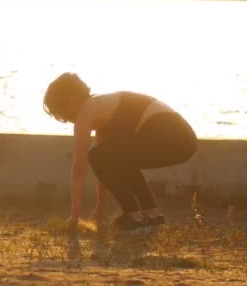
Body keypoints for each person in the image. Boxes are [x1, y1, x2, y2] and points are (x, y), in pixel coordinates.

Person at [42, 73, 197, 231]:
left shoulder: (85, 113)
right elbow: (104, 169)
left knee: (98, 155)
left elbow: (80, 170)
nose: (64, 118)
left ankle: (134, 217)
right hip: (186, 142)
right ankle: (152, 215)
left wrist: (74, 218)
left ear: (72, 100)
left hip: (167, 131)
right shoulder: (103, 109)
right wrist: (99, 210)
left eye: (60, 111)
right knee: (119, 158)